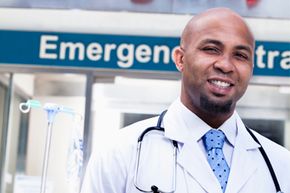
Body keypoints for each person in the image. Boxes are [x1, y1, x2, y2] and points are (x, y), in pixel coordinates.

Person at [81, 7, 290, 193]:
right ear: (181, 59)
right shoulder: (120, 153)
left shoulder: (281, 164)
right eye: (211, 49)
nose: (226, 65)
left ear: (251, 69)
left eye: (240, 55)